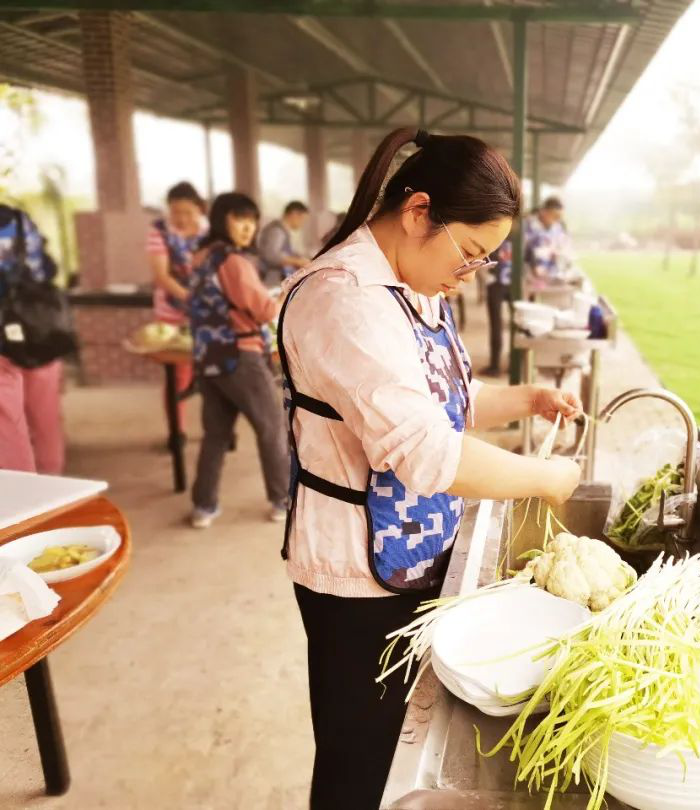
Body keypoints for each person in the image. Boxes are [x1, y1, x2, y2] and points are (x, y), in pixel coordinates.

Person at [277, 127, 583, 809]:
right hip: (357, 575)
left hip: (412, 549)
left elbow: (438, 404)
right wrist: (547, 479)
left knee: (396, 747)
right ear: (419, 212)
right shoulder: (344, 299)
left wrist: (526, 400)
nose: (467, 274)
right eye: (470, 254)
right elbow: (424, 450)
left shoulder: (410, 286)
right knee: (359, 761)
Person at [188, 192, 290, 529]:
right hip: (240, 356)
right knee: (273, 426)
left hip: (207, 358)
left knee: (216, 434)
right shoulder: (234, 262)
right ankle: (282, 500)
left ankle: (204, 506)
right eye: (239, 219)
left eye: (251, 220)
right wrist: (282, 297)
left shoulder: (201, 257)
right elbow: (263, 309)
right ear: (222, 220)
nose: (248, 228)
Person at [0, 205, 65, 474]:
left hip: (3, 342)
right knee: (46, 421)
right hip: (39, 332)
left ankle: (22, 501)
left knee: (7, 427)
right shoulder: (18, 219)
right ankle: (51, 490)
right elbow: (48, 268)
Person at [147, 181, 207, 439]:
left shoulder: (211, 231)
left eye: (187, 212)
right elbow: (162, 276)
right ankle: (177, 430)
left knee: (214, 373)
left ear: (199, 209)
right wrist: (192, 299)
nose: (180, 218)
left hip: (209, 311)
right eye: (175, 211)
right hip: (172, 312)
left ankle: (219, 430)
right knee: (177, 373)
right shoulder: (159, 231)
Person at [257, 200, 310, 285]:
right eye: (302, 219)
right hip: (272, 278)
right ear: (294, 214)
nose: (302, 223)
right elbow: (272, 256)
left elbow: (287, 251)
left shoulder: (283, 230)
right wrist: (297, 261)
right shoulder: (276, 231)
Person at [482, 235, 513, 375]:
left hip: (499, 282)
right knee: (513, 325)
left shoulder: (496, 229)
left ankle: (496, 366)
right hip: (510, 282)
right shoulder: (522, 234)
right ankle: (510, 363)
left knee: (497, 325)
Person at [525, 195, 569, 290]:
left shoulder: (557, 227)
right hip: (530, 275)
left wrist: (557, 254)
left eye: (559, 217)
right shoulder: (529, 225)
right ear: (544, 212)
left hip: (548, 275)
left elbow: (561, 247)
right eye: (554, 216)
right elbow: (524, 250)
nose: (556, 220)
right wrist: (533, 265)